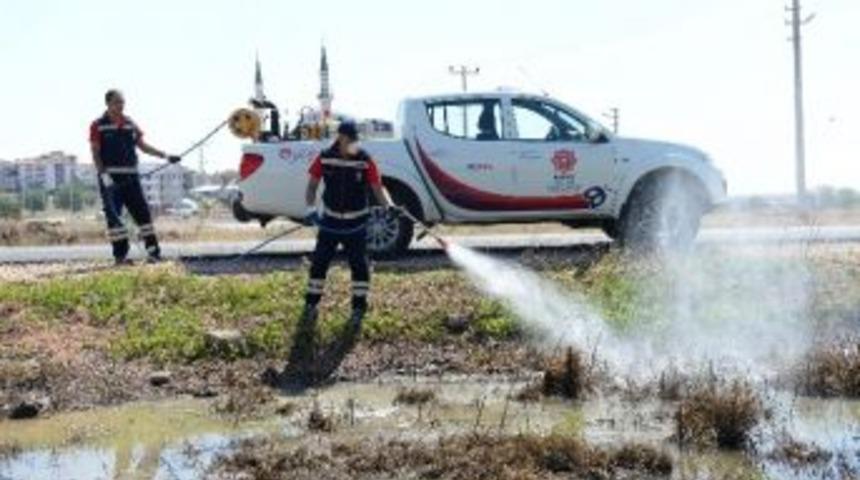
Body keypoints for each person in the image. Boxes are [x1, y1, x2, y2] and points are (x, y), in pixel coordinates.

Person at [283, 121, 396, 385]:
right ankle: (311, 305)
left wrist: (388, 206)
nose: (355, 143)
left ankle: (358, 308)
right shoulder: (324, 157)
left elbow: (378, 188)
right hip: (331, 223)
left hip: (357, 224)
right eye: (351, 139)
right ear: (341, 138)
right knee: (319, 264)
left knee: (359, 266)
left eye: (357, 139)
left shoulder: (365, 160)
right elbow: (312, 185)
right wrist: (310, 209)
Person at [89, 89, 180, 265]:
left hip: (131, 178)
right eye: (117, 102)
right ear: (107, 103)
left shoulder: (130, 124)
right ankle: (120, 256)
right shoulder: (98, 125)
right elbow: (95, 152)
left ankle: (153, 253)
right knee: (114, 218)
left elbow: (143, 146)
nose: (121, 105)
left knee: (143, 215)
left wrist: (166, 156)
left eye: (122, 102)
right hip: (110, 180)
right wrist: (103, 174)